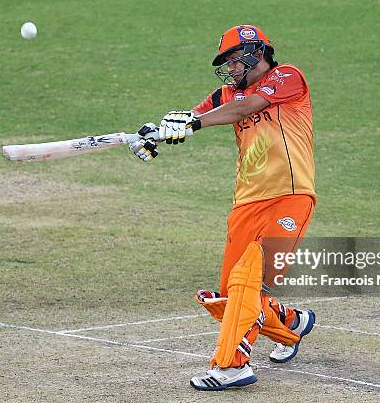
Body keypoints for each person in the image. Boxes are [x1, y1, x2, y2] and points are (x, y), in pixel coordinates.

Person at [129, 24, 317, 390]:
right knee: (231, 298)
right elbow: (184, 120)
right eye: (226, 63)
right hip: (246, 202)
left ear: (254, 53)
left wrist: (193, 124)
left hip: (290, 195)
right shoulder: (226, 94)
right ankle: (291, 323)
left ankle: (232, 366)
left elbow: (243, 108)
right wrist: (154, 135)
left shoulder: (288, 77)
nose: (229, 69)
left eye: (233, 60)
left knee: (247, 279)